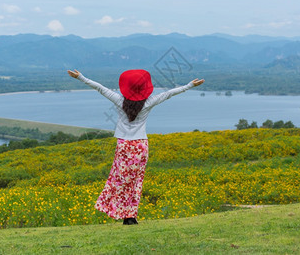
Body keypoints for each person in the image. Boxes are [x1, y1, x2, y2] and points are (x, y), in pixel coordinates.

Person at [67, 69, 204, 225]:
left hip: (124, 145)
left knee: (119, 180)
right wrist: (189, 85)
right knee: (136, 181)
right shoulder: (148, 103)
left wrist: (80, 77)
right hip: (140, 146)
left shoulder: (119, 101)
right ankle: (130, 216)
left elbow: (100, 88)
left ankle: (119, 212)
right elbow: (169, 94)